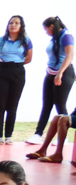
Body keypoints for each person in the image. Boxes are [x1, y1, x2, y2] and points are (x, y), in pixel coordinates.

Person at [27, 16, 76, 157]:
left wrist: (60, 73)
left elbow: (69, 55)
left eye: (46, 29)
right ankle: (38, 134)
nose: (46, 32)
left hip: (64, 73)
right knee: (47, 104)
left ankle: (63, 136)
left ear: (52, 27)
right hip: (50, 73)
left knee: (60, 104)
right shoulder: (54, 38)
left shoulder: (66, 36)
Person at [0, 15, 34, 144]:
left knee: (13, 105)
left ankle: (8, 135)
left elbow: (28, 59)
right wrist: (2, 66)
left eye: (16, 23)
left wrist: (16, 66)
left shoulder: (26, 41)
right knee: (1, 104)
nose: (13, 25)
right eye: (11, 23)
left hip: (18, 71)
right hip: (3, 71)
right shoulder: (1, 40)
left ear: (21, 26)